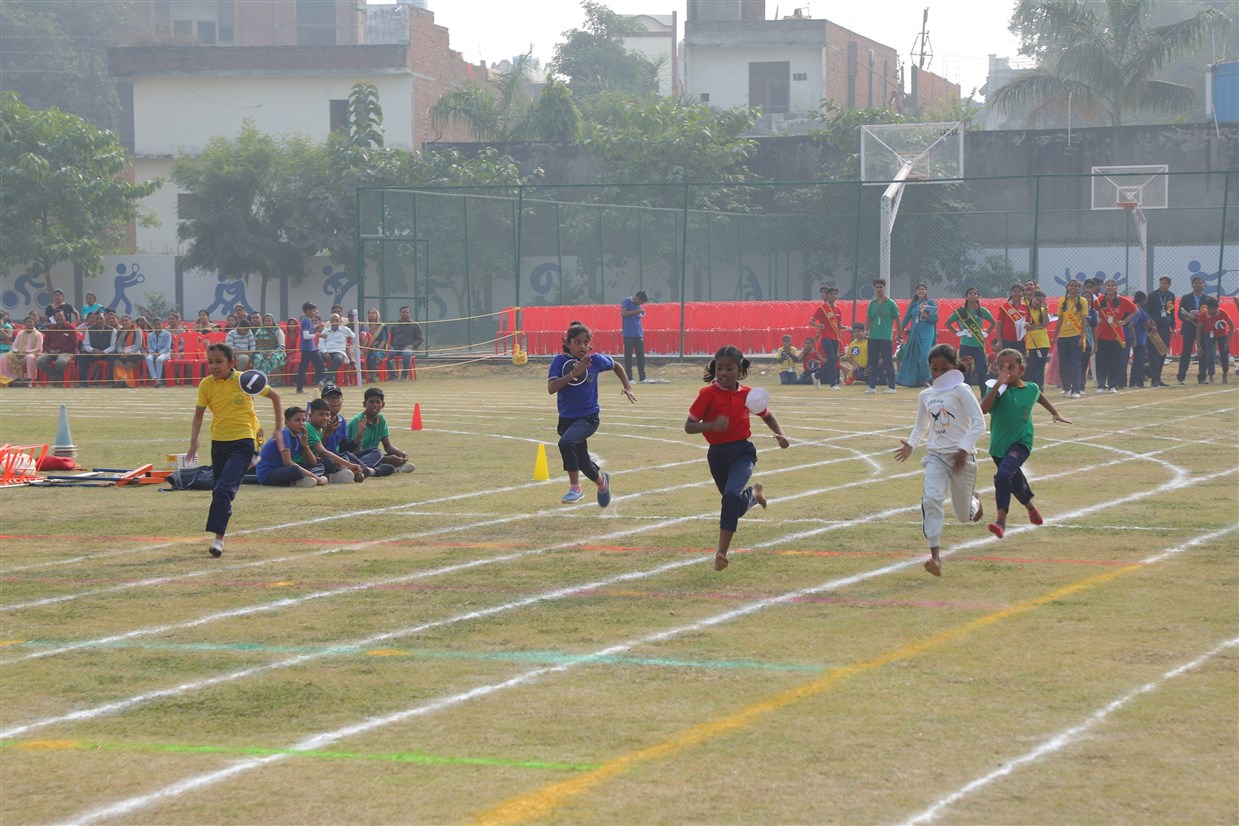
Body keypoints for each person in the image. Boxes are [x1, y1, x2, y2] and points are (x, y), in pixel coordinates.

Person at [685, 345, 789, 571]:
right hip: (717, 455)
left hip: (743, 452)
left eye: (729, 368)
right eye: (719, 368)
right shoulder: (707, 395)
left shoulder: (748, 395)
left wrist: (780, 434)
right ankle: (753, 494)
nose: (723, 373)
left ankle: (721, 553)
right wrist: (711, 425)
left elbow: (767, 416)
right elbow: (689, 426)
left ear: (740, 371)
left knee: (731, 495)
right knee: (735, 503)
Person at [894, 343, 986, 576]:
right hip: (935, 456)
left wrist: (963, 450)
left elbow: (979, 424)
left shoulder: (962, 390)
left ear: (954, 366)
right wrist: (911, 445)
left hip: (962, 459)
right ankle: (935, 557)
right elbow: (921, 426)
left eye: (944, 369)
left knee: (964, 516)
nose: (939, 373)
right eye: (935, 369)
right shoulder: (925, 395)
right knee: (931, 500)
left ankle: (974, 500)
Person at [186, 342, 282, 557]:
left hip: (243, 441)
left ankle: (217, 540)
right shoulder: (206, 385)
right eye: (210, 362)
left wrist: (278, 429)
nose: (214, 366)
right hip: (219, 442)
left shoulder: (244, 380)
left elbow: (275, 397)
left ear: (232, 363)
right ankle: (253, 460)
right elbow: (199, 416)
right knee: (219, 490)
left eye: (219, 362)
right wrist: (194, 441)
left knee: (224, 490)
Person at [981, 348, 1072, 540]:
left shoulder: (1030, 389)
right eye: (1001, 367)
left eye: (1011, 367)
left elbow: (1038, 395)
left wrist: (1055, 412)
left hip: (1021, 444)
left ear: (1021, 369)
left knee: (1002, 475)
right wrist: (997, 386)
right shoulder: (996, 390)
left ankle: (1000, 521)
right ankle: (1030, 507)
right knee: (1015, 482)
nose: (1006, 371)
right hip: (998, 447)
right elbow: (983, 409)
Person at [547, 320, 636, 506]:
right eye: (577, 342)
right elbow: (551, 388)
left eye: (586, 342)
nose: (582, 346)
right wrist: (573, 373)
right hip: (566, 420)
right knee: (583, 462)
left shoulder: (594, 360)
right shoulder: (559, 362)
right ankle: (602, 484)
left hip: (588, 418)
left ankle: (575, 488)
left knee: (566, 443)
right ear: (567, 343)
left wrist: (628, 387)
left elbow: (616, 366)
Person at [346, 387, 414, 475]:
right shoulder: (358, 421)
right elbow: (358, 451)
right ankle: (379, 469)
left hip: (373, 456)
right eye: (371, 402)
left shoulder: (381, 419)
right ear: (364, 404)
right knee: (378, 453)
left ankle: (379, 468)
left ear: (383, 405)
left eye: (378, 402)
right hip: (357, 457)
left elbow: (388, 447)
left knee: (389, 456)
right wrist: (384, 459)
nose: (375, 405)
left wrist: (401, 454)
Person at [254, 406, 327, 487]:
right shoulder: (284, 434)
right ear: (287, 423)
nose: (301, 423)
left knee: (319, 465)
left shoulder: (298, 436)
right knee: (296, 470)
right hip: (268, 473)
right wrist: (313, 476)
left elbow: (313, 462)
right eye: (297, 420)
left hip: (283, 469)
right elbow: (287, 462)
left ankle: (304, 480)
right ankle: (300, 481)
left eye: (303, 420)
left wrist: (305, 446)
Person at [318, 382, 372, 479]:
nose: (335, 401)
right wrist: (325, 434)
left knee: (366, 460)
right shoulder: (318, 421)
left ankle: (363, 470)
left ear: (342, 400)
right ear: (323, 401)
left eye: (337, 398)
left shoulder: (341, 420)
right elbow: (315, 450)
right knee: (330, 462)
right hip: (323, 458)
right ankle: (335, 474)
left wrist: (358, 436)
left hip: (338, 456)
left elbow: (344, 447)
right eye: (330, 398)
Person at [306, 397, 367, 482]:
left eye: (327, 415)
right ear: (311, 416)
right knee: (326, 463)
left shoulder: (320, 429)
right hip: (303, 463)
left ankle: (335, 474)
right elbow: (323, 451)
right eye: (321, 414)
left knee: (336, 459)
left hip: (314, 460)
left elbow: (317, 453)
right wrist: (349, 464)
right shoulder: (309, 427)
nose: (325, 418)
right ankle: (319, 477)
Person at [945, 287, 994, 391]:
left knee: (981, 370)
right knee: (965, 371)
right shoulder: (961, 311)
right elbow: (947, 323)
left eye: (975, 293)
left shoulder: (982, 311)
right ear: (966, 296)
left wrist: (986, 333)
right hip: (965, 344)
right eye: (970, 293)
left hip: (978, 345)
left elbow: (993, 323)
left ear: (978, 297)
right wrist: (958, 332)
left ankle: (984, 394)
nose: (972, 295)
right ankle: (967, 393)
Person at [1093, 278, 1136, 394]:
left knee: (1115, 361)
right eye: (1108, 285)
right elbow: (1092, 311)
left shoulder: (1122, 300)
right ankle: (1101, 385)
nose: (1110, 287)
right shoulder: (1099, 300)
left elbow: (1135, 311)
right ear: (1105, 287)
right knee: (1101, 361)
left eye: (1112, 285)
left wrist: (1124, 321)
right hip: (1102, 334)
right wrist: (1096, 322)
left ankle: (1113, 385)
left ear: (1116, 288)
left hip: (1116, 335)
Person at [1051, 279, 1089, 398]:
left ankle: (1076, 390)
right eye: (1072, 286)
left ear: (1079, 288)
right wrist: (1055, 336)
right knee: (1063, 364)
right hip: (1063, 336)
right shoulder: (1062, 301)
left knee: (1075, 363)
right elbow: (1060, 320)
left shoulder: (1082, 301)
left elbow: (1084, 320)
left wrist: (1081, 337)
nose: (1074, 288)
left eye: (1076, 286)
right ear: (1068, 287)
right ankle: (1066, 387)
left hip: (1076, 335)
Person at [896, 282, 937, 387]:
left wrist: (927, 316)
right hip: (915, 331)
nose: (921, 291)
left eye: (923, 289)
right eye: (919, 289)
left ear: (926, 291)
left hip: (927, 331)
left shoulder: (930, 303)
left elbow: (935, 319)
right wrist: (899, 333)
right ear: (916, 292)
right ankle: (918, 381)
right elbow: (906, 319)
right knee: (914, 356)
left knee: (924, 356)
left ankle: (927, 378)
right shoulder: (913, 304)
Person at [864, 278, 900, 394]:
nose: (879, 289)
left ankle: (892, 386)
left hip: (885, 336)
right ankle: (871, 386)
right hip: (873, 336)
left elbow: (897, 319)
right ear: (874, 288)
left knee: (887, 361)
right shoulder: (872, 303)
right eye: (877, 287)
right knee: (872, 361)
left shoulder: (890, 303)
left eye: (881, 287)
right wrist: (866, 330)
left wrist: (899, 334)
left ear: (885, 288)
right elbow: (868, 318)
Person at [1176, 275, 1208, 385]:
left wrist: (1201, 316)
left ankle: (1202, 377)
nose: (1198, 285)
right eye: (1196, 283)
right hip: (1189, 328)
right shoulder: (1186, 298)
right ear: (1192, 285)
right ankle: (1181, 377)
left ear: (1203, 285)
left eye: (1200, 283)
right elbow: (1180, 314)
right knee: (1186, 353)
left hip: (1202, 328)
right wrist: (1187, 317)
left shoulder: (1207, 299)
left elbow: (1210, 313)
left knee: (1203, 352)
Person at [1146, 276, 1175, 386]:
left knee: (1162, 353)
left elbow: (1171, 311)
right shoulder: (1152, 296)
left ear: (1169, 285)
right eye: (1161, 283)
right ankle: (1154, 379)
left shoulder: (1170, 296)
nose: (1163, 285)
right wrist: (1151, 323)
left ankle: (1158, 377)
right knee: (1153, 354)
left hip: (1165, 328)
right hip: (1154, 328)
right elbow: (1146, 311)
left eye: (1165, 283)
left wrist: (1173, 327)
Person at [35, 311, 77, 384]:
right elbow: (45, 344)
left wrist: (60, 350)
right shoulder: (51, 329)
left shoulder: (71, 328)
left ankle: (57, 381)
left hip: (65, 352)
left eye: (61, 316)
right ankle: (57, 378)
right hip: (51, 352)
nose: (59, 318)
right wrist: (49, 350)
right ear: (54, 318)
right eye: (57, 316)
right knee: (39, 361)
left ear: (64, 317)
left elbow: (74, 344)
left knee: (60, 362)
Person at [77, 310, 117, 387]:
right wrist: (93, 350)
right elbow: (86, 345)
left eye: (101, 318)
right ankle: (82, 382)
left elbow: (113, 346)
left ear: (105, 319)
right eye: (97, 319)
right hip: (93, 353)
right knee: (82, 356)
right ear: (94, 320)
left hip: (106, 353)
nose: (99, 321)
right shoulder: (89, 330)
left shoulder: (112, 330)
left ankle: (111, 382)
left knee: (113, 356)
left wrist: (104, 352)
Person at [1198, 297, 1233, 384]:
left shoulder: (1222, 313)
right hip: (1209, 335)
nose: (1213, 311)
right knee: (1210, 354)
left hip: (1222, 336)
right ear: (1207, 308)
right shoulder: (1203, 315)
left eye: (1215, 309)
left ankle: (1225, 374)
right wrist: (1198, 345)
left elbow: (1232, 326)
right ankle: (1211, 376)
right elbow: (1199, 330)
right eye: (1211, 309)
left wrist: (1227, 342)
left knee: (1224, 356)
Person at [294, 301, 326, 393]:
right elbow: (305, 336)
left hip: (311, 348)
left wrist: (315, 330)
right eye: (313, 311)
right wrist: (318, 335)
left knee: (319, 364)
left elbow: (308, 333)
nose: (315, 313)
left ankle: (317, 383)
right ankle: (299, 387)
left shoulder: (307, 320)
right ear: (307, 311)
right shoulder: (306, 321)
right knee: (304, 367)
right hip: (307, 348)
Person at [384, 305, 423, 381]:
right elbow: (389, 337)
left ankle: (404, 376)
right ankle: (393, 375)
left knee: (406, 354)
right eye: (403, 312)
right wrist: (389, 346)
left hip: (408, 348)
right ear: (400, 313)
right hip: (395, 348)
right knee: (385, 355)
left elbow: (420, 339)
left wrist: (412, 346)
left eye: (407, 312)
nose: (405, 313)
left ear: (410, 313)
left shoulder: (415, 325)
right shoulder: (395, 325)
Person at [1, 315, 42, 383]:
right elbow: (14, 346)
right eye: (27, 322)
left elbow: (39, 348)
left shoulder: (38, 334)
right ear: (24, 324)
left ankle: (29, 380)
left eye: (31, 322)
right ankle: (8, 379)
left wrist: (26, 352)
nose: (29, 324)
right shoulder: (20, 333)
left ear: (34, 323)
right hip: (19, 353)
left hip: (33, 354)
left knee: (29, 357)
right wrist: (17, 352)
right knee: (3, 357)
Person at [1124, 291, 1153, 389]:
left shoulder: (1140, 309)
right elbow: (1132, 325)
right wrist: (1134, 338)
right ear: (1143, 300)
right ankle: (1134, 382)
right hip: (1139, 339)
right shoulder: (1138, 310)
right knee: (1137, 361)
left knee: (1140, 362)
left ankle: (1140, 382)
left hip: (1142, 338)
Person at [1024, 290, 1052, 388]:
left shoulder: (1043, 311)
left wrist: (1046, 309)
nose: (1038, 302)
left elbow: (1045, 324)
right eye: (1037, 299)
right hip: (1030, 343)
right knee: (1030, 367)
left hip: (1042, 343)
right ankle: (1029, 387)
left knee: (1040, 367)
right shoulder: (1026, 309)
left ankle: (1040, 388)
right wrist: (1038, 327)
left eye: (1041, 300)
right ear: (1032, 298)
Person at [620, 289, 649, 383]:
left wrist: (641, 312)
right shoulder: (627, 301)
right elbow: (623, 312)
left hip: (638, 333)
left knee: (641, 356)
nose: (641, 304)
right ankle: (629, 378)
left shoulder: (638, 306)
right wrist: (634, 312)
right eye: (641, 302)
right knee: (628, 356)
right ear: (637, 298)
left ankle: (642, 378)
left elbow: (639, 314)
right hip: (628, 333)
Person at [251, 314, 287, 381]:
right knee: (258, 358)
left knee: (274, 359)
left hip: (277, 352)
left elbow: (282, 346)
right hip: (261, 352)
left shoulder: (278, 331)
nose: (267, 322)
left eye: (269, 321)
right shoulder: (259, 331)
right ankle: (260, 380)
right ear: (263, 322)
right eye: (266, 321)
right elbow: (257, 345)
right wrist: (263, 352)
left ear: (273, 322)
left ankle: (274, 381)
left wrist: (273, 352)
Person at [112, 314, 145, 387]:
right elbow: (119, 345)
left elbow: (138, 345)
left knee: (129, 363)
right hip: (123, 352)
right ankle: (121, 380)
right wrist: (121, 352)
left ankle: (127, 382)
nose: (125, 322)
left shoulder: (137, 331)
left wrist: (128, 353)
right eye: (123, 321)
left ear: (131, 321)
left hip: (135, 353)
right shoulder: (121, 332)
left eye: (126, 320)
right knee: (116, 360)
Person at [996, 283, 1029, 355]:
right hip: (1007, 341)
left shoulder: (1026, 307)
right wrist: (999, 341)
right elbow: (999, 325)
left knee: (1020, 360)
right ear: (1011, 293)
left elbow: (1029, 323)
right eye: (1014, 291)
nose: (1017, 293)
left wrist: (1027, 324)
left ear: (1023, 293)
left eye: (1019, 291)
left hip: (1022, 341)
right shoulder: (1005, 307)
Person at [145, 317, 174, 386]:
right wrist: (152, 352)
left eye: (159, 324)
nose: (157, 326)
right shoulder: (150, 335)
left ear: (162, 324)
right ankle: (155, 378)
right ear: (153, 326)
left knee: (159, 359)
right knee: (148, 359)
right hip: (153, 353)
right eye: (156, 325)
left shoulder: (167, 334)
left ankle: (158, 380)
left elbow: (167, 347)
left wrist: (159, 353)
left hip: (165, 353)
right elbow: (149, 347)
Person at [361, 308, 388, 382]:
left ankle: (372, 376)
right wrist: (365, 348)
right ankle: (363, 375)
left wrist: (377, 348)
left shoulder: (381, 326)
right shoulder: (365, 326)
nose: (371, 314)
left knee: (373, 356)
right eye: (370, 313)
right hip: (365, 349)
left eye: (373, 313)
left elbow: (383, 340)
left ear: (377, 315)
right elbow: (362, 338)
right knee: (360, 356)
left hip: (378, 350)